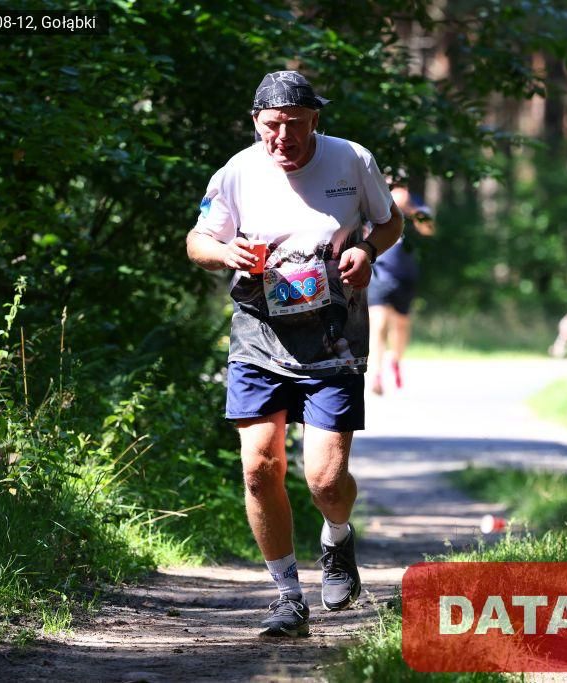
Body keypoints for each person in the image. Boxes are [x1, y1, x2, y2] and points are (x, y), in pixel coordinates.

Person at [185, 70, 403, 638]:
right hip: (259, 331)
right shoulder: (237, 171)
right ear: (256, 122)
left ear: (315, 121)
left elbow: (390, 222)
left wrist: (367, 250)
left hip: (334, 334)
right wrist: (225, 253)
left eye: (296, 125)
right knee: (259, 469)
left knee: (325, 479)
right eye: (272, 126)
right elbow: (197, 240)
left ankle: (337, 538)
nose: (283, 137)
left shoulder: (351, 160)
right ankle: (286, 596)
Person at [366, 179, 435, 394]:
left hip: (405, 274)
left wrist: (409, 209)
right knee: (378, 324)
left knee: (401, 325)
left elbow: (429, 229)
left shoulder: (414, 203)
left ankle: (395, 360)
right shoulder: (372, 200)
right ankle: (376, 374)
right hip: (379, 273)